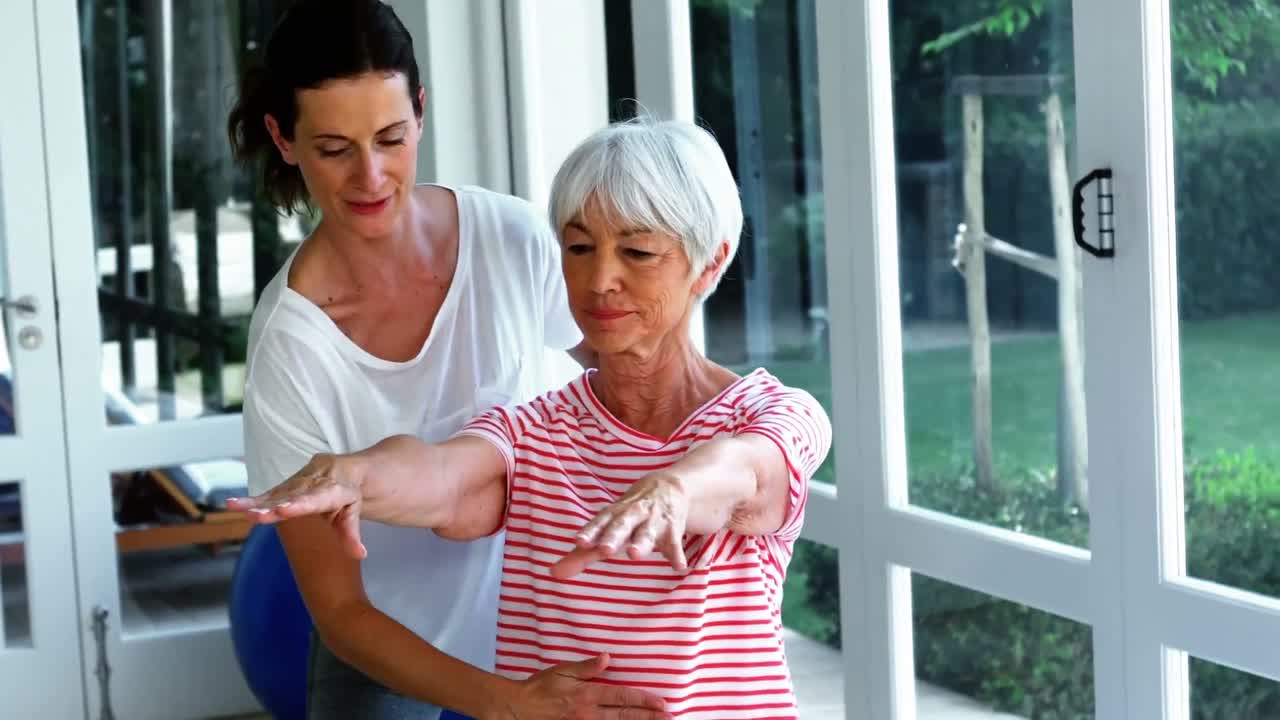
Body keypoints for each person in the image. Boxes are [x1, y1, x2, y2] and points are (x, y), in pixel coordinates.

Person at [230, 117, 834, 719]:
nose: (600, 280)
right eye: (578, 247)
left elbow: (743, 474)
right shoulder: (535, 432)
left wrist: (673, 489)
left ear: (708, 263)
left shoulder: (770, 413)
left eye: (638, 251)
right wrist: (356, 476)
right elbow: (442, 477)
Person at [227, 1, 666, 718]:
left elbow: (635, 370)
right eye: (335, 149)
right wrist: (504, 703)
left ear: (421, 113)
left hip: (547, 623)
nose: (371, 176)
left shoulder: (512, 238)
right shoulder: (292, 347)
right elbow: (341, 614)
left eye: (391, 138)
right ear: (283, 137)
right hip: (390, 648)